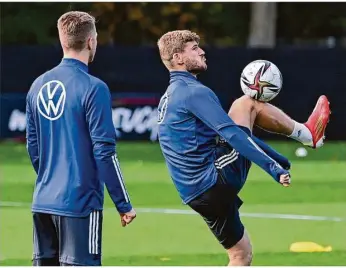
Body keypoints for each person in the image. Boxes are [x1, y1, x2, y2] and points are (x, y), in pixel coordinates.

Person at [156, 30, 330, 266]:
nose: (202, 51)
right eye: (194, 48)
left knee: (240, 255)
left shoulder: (169, 96)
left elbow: (227, 137)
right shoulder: (194, 92)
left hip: (194, 194)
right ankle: (307, 134)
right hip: (214, 180)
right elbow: (233, 135)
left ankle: (307, 135)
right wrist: (273, 168)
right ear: (178, 58)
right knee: (247, 103)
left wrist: (277, 158)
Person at [26, 11, 136, 266]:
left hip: (43, 202)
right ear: (91, 41)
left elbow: (34, 148)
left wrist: (50, 179)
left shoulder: (37, 85)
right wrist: (123, 203)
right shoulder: (94, 87)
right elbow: (105, 151)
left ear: (62, 40)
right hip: (80, 203)